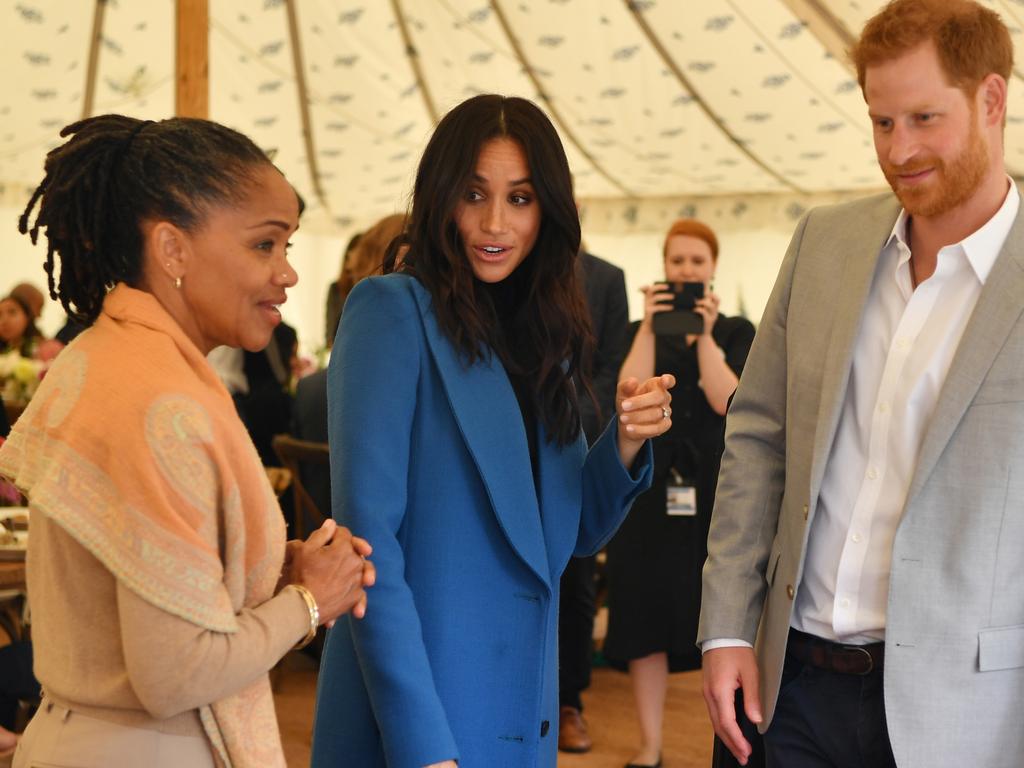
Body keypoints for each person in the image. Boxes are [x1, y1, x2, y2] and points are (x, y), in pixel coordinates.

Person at [699, 2, 1024, 767]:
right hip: (786, 690)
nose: (898, 150)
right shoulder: (823, 240)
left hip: (961, 718)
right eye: (881, 122)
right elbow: (756, 440)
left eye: (922, 118)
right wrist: (727, 628)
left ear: (991, 100)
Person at [310, 93, 675, 768]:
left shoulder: (548, 338)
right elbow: (367, 549)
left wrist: (625, 439)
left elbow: (569, 532)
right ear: (440, 195)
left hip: (519, 711)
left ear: (550, 210)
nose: (494, 222)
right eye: (475, 193)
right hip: (416, 716)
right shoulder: (391, 312)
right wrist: (425, 748)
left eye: (521, 198)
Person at [0, 114, 375, 768]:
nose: (287, 274)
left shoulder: (106, 358)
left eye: (288, 247)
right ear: (172, 249)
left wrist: (270, 571)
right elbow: (175, 673)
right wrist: (311, 602)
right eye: (265, 245)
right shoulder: (159, 404)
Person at [603, 220, 754, 767]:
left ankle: (732, 744)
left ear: (712, 268)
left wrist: (705, 338)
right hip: (648, 491)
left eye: (697, 262)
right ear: (664, 267)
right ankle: (650, 748)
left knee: (724, 617)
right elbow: (629, 395)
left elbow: (729, 401)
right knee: (644, 616)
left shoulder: (736, 330)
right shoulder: (636, 330)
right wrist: (649, 328)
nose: (687, 271)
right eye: (678, 262)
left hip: (717, 495)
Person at [557, 249, 630, 755]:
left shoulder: (607, 278)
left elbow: (612, 365)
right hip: (514, 436)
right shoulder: (507, 263)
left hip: (580, 439)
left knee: (578, 578)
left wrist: (574, 417)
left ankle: (569, 704)